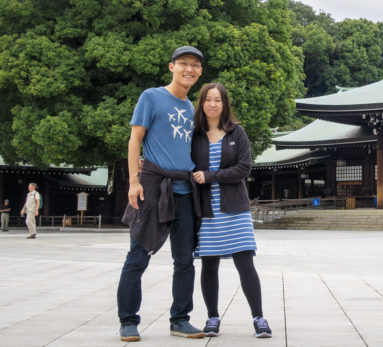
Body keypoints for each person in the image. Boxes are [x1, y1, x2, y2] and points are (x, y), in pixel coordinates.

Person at [116, 46, 205, 342]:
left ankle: (180, 319)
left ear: (200, 71)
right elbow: (135, 139)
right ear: (172, 67)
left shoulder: (191, 107)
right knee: (138, 255)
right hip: (154, 188)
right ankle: (128, 320)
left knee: (184, 260)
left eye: (194, 65)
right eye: (183, 64)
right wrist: (134, 181)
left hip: (183, 190)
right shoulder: (151, 97)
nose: (188, 69)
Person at [191, 82, 272, 338]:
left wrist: (209, 176)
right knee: (209, 265)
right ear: (201, 103)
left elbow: (244, 168)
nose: (213, 104)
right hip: (206, 211)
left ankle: (258, 317)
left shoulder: (236, 132)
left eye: (218, 100)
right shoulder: (194, 134)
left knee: (245, 264)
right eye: (208, 99)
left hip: (235, 209)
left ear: (225, 104)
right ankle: (212, 317)